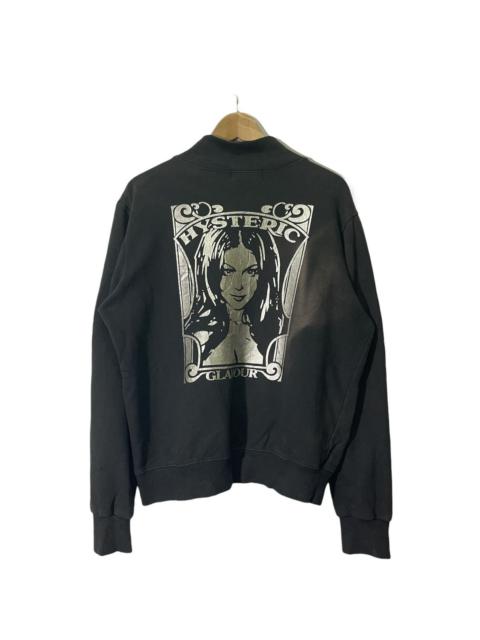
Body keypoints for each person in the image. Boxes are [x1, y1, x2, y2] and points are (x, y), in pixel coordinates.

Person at [184, 225, 284, 367]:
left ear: (264, 273)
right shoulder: (197, 336)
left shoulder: (274, 328)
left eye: (251, 272)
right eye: (228, 271)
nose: (239, 285)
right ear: (210, 271)